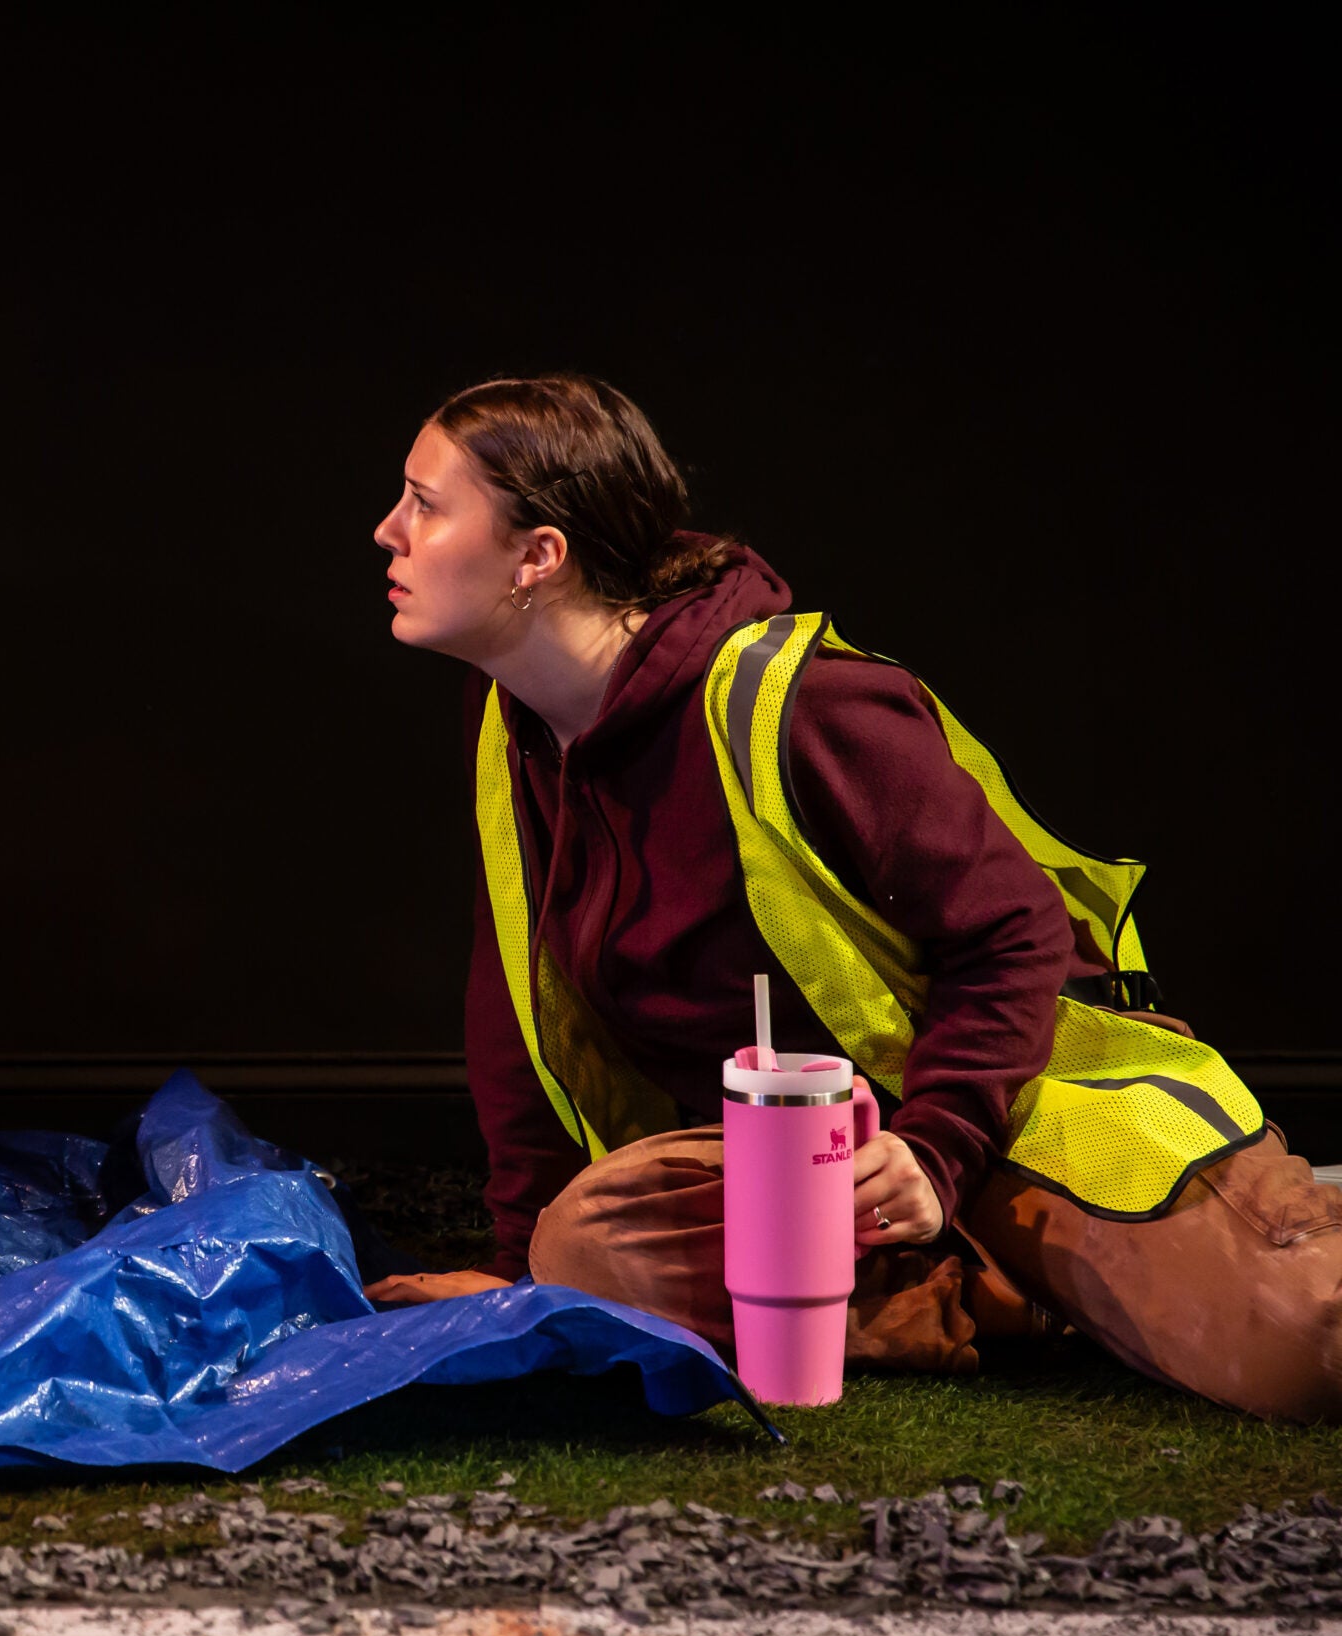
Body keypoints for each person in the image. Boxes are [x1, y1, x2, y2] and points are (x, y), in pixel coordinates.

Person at [360, 374, 1340, 1423]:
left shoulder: (803, 706)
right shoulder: (510, 726)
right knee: (588, 1258)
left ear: (536, 556)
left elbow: (1016, 935)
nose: (388, 531)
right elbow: (519, 1007)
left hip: (999, 1111)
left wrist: (932, 1149)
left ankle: (1131, 1250)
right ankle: (1009, 1292)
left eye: (424, 502)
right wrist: (521, 1274)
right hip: (812, 1172)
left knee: (1308, 1351)